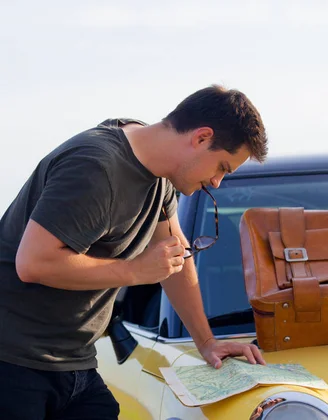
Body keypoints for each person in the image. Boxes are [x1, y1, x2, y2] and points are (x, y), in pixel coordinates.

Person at [0, 85, 268, 419]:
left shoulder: (159, 172)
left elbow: (175, 255)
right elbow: (33, 263)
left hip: (74, 364)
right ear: (201, 138)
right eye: (222, 167)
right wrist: (135, 271)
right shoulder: (95, 166)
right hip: (12, 364)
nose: (217, 182)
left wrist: (207, 343)